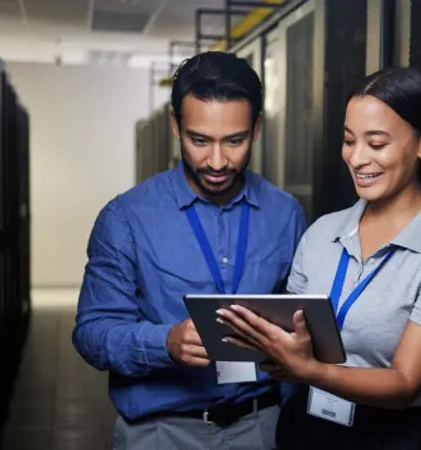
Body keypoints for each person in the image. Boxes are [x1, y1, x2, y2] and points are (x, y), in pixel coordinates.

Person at [216, 66, 421, 449]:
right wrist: (265, 344)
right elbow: (295, 325)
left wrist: (308, 369)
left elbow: (405, 383)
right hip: (307, 426)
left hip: (394, 436)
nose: (356, 159)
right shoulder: (324, 232)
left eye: (376, 144)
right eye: (348, 141)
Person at [72, 51, 306, 450]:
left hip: (260, 426)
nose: (217, 161)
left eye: (234, 141)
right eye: (200, 140)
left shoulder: (285, 213)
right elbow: (92, 332)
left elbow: (303, 318)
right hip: (161, 432)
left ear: (257, 129)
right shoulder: (126, 217)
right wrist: (165, 343)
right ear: (176, 127)